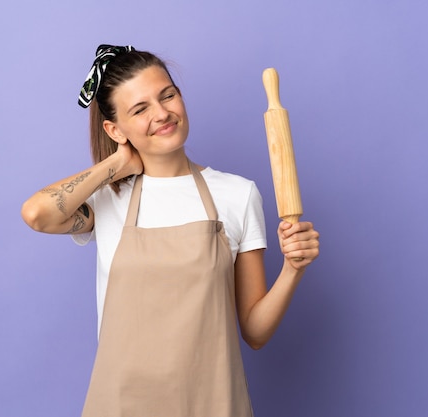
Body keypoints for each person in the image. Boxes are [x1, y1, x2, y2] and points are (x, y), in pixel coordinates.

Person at [21, 44, 320, 416]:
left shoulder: (237, 195)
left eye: (168, 95)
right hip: (121, 405)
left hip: (212, 403)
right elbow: (37, 214)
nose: (162, 113)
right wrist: (115, 164)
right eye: (140, 109)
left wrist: (293, 269)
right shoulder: (107, 201)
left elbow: (255, 332)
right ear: (114, 128)